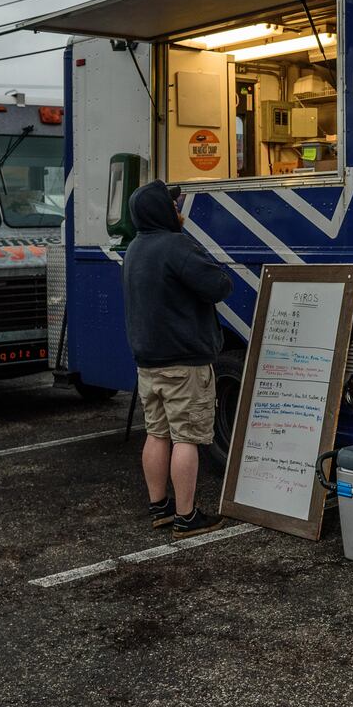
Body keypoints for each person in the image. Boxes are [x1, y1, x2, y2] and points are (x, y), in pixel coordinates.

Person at [122, 180, 233, 536]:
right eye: (173, 205)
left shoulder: (135, 249)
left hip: (148, 363)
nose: (178, 210)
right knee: (187, 438)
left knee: (156, 434)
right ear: (161, 211)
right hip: (184, 362)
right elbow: (219, 286)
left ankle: (161, 508)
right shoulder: (176, 246)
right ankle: (187, 516)